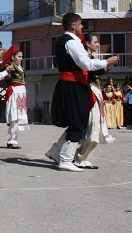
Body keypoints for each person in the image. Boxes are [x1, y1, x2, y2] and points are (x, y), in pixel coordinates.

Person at [45, 13, 118, 172]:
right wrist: (107, 61)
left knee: (77, 121)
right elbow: (85, 63)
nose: (82, 27)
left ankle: (58, 153)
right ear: (73, 25)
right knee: (78, 122)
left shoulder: (66, 41)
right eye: (80, 24)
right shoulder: (72, 42)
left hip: (72, 84)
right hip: (72, 85)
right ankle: (65, 159)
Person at [74, 34, 112, 169]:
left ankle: (82, 157)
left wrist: (107, 65)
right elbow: (90, 71)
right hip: (90, 94)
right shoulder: (85, 60)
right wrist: (106, 64)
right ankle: (79, 157)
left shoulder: (91, 59)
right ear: (88, 44)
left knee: (95, 127)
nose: (98, 44)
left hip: (95, 93)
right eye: (95, 42)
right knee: (92, 127)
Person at [1, 46, 30, 149]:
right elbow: (7, 78)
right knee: (15, 117)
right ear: (13, 57)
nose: (21, 58)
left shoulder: (20, 67)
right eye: (19, 56)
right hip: (14, 91)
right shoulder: (10, 66)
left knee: (20, 117)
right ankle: (12, 139)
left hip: (21, 92)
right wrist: (8, 72)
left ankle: (13, 139)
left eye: (22, 57)